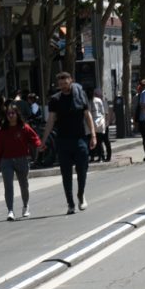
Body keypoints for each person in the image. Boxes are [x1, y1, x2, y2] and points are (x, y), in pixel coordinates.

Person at [41, 72, 97, 215]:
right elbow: (51, 120)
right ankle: (70, 203)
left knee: (82, 170)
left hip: (80, 139)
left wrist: (93, 135)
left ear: (71, 80)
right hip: (63, 141)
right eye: (60, 84)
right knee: (66, 174)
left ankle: (80, 194)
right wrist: (43, 140)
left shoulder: (80, 95)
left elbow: (87, 115)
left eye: (65, 83)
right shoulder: (55, 99)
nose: (63, 86)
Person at [0, 103, 41, 221]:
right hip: (6, 161)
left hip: (22, 159)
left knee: (24, 185)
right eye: (8, 114)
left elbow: (34, 138)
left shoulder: (24, 127)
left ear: (17, 114)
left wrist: (39, 145)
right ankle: (10, 210)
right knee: (8, 186)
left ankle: (25, 206)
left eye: (12, 113)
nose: (10, 115)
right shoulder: (1, 131)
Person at [90, 89, 111, 163]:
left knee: (106, 141)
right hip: (97, 125)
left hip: (104, 124)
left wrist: (106, 123)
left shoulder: (103, 102)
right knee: (98, 142)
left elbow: (106, 113)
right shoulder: (94, 102)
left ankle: (108, 156)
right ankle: (101, 156)